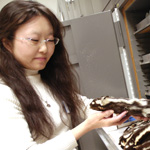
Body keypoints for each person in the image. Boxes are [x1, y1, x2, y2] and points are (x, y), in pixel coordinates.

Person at [0, 1, 133, 150]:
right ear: (7, 43)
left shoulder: (46, 79)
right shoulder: (4, 93)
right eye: (34, 40)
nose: (44, 48)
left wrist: (129, 110)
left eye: (50, 40)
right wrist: (87, 126)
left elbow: (82, 105)